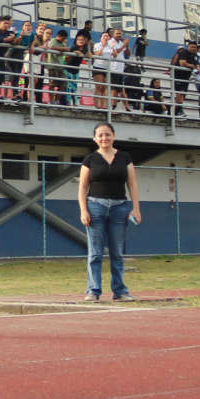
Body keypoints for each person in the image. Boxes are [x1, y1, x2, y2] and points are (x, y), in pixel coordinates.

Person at [77, 122, 141, 303]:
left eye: (107, 134)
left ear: (113, 136)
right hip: (95, 206)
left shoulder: (125, 157)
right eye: (100, 135)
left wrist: (135, 208)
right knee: (95, 252)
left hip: (119, 207)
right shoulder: (90, 159)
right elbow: (82, 187)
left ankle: (120, 291)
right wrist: (83, 210)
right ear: (95, 139)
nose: (104, 138)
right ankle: (93, 290)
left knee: (117, 252)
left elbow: (132, 184)